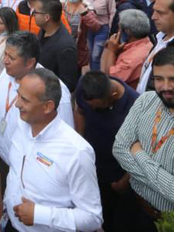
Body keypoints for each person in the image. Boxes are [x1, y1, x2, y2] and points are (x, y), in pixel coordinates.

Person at [113, 48, 174, 230]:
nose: (165, 87)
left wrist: (138, 153)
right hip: (131, 205)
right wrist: (169, 182)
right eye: (158, 79)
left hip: (167, 222)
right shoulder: (146, 101)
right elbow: (119, 148)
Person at [3, 68, 103, 231]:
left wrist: (40, 215)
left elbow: (92, 217)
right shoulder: (21, 123)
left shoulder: (77, 152)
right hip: (12, 224)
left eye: (25, 100)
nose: (17, 104)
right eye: (18, 94)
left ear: (48, 106)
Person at [0, 32, 75, 195]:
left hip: (33, 173)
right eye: (5, 54)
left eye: (11, 57)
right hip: (7, 161)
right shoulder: (5, 75)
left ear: (30, 62)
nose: (5, 61)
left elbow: (65, 141)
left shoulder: (54, 92)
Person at [74, 71, 139, 232]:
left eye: (97, 107)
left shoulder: (135, 106)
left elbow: (142, 150)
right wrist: (80, 143)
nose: (92, 109)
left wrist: (124, 181)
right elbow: (80, 111)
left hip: (117, 178)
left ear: (113, 95)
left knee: (114, 222)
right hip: (91, 168)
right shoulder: (85, 85)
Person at [33, 0, 79, 91]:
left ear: (47, 17)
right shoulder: (44, 30)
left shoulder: (65, 46)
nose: (33, 15)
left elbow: (68, 84)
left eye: (36, 12)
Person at [101, 9, 154, 89]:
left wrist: (110, 51)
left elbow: (110, 78)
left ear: (127, 31)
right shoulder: (144, 43)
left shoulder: (133, 58)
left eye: (119, 29)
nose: (118, 32)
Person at [62, 0, 100, 71]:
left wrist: (85, 14)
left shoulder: (87, 7)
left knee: (75, 72)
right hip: (61, 43)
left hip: (77, 46)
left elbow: (96, 27)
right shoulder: (61, 4)